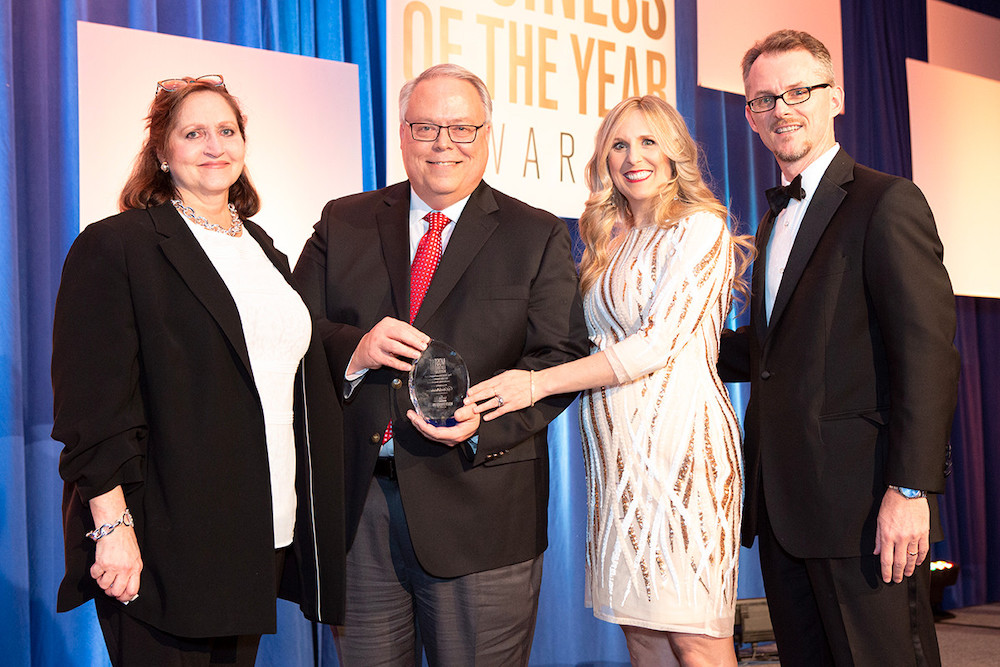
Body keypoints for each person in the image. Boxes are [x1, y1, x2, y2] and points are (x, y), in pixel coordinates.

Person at [292, 63, 589, 665]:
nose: (443, 144)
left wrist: (483, 421)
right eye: (425, 127)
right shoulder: (343, 220)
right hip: (359, 512)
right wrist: (355, 350)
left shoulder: (535, 234)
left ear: (487, 135)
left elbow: (559, 359)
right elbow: (293, 330)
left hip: (483, 511)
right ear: (402, 135)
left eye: (461, 128)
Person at [52, 75, 346, 666]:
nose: (214, 146)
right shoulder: (119, 245)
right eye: (193, 133)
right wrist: (112, 528)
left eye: (226, 131)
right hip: (163, 540)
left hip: (259, 531)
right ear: (162, 151)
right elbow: (91, 406)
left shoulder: (264, 249)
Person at [467, 95, 754, 666]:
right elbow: (583, 338)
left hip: (682, 451)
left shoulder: (700, 228)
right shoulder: (609, 238)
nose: (632, 157)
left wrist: (536, 384)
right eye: (619, 145)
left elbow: (654, 344)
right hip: (616, 456)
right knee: (640, 633)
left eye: (648, 142)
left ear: (675, 152)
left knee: (695, 637)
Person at [717, 30, 960, 665]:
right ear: (749, 115)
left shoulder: (887, 202)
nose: (782, 109)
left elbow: (927, 355)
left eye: (799, 91)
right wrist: (668, 344)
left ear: (837, 98)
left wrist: (910, 491)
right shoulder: (772, 220)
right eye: (764, 99)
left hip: (864, 509)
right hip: (783, 508)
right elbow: (771, 352)